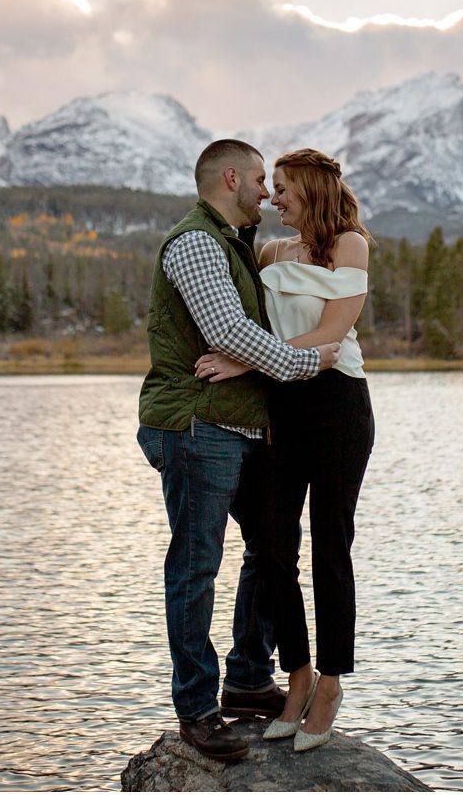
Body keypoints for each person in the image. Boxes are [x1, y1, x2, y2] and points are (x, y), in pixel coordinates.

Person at [136, 139, 344, 763]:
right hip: (196, 425)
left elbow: (245, 334)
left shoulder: (237, 244)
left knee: (273, 546)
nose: (266, 192)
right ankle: (198, 709)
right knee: (197, 565)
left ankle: (250, 676)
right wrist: (310, 362)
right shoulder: (197, 242)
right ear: (230, 177)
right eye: (259, 179)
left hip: (238, 426)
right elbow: (226, 330)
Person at [193, 148, 374, 754]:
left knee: (331, 546)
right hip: (283, 409)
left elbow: (330, 334)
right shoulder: (269, 252)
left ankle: (329, 684)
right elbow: (251, 324)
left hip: (340, 407)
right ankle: (293, 676)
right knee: (272, 546)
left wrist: (244, 360)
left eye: (284, 188)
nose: (273, 198)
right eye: (270, 188)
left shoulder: (351, 246)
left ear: (313, 191)